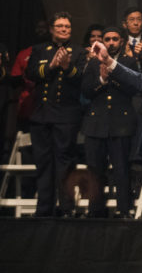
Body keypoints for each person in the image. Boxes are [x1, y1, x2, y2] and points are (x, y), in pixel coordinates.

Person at [26, 12, 87, 217]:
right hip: (42, 115)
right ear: (51, 29)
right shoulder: (40, 49)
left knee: (65, 163)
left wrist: (67, 67)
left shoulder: (78, 51)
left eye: (67, 27)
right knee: (43, 163)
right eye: (60, 26)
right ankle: (44, 208)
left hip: (66, 116)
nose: (64, 29)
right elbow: (31, 73)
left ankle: (67, 207)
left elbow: (81, 79)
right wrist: (51, 66)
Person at [81, 27, 138, 218]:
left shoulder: (129, 62)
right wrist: (101, 79)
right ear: (102, 42)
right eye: (107, 39)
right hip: (96, 124)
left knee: (122, 170)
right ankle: (96, 210)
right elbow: (86, 91)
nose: (111, 42)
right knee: (95, 170)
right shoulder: (91, 63)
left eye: (115, 39)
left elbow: (134, 88)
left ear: (121, 41)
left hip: (120, 124)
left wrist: (113, 73)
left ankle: (124, 210)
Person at [122, 7, 142, 73]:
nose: (136, 23)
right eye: (132, 19)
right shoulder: (121, 43)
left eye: (139, 19)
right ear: (125, 24)